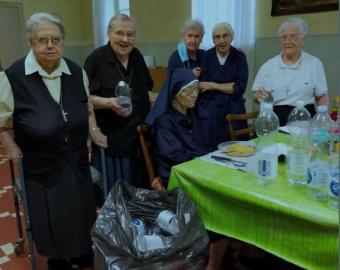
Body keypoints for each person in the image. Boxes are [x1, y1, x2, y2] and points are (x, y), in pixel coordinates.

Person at [0, 12, 107, 270]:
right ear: (31, 42)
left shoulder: (75, 71)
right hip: (41, 164)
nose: (50, 45)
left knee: (81, 210)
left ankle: (81, 251)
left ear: (63, 42)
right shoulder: (13, 76)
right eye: (42, 40)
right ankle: (57, 258)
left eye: (56, 40)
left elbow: (87, 108)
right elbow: (2, 121)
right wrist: (12, 146)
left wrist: (93, 130)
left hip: (76, 158)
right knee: (53, 216)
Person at [146, 68, 230, 270]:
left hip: (197, 174)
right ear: (175, 94)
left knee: (227, 202)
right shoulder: (164, 122)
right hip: (177, 180)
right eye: (188, 91)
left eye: (196, 90)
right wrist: (207, 160)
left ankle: (213, 262)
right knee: (221, 207)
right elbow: (176, 157)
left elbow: (205, 147)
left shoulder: (194, 116)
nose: (194, 94)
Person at [84, 14, 153, 189]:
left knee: (140, 188)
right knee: (116, 192)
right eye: (119, 33)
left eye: (130, 34)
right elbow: (84, 98)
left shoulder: (136, 55)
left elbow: (146, 90)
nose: (125, 39)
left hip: (139, 137)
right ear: (109, 33)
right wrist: (108, 103)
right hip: (113, 141)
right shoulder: (96, 59)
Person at [252, 17, 329, 126]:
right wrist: (258, 96)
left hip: (304, 118)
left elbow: (322, 97)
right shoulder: (268, 66)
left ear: (303, 39)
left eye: (293, 36)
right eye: (284, 37)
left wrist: (322, 120)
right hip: (274, 119)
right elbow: (255, 95)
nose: (287, 41)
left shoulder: (314, 64)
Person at [198, 22, 249, 150]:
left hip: (234, 108)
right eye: (217, 37)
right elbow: (204, 86)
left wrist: (214, 85)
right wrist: (228, 87)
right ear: (213, 39)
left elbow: (239, 88)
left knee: (239, 150)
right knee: (212, 151)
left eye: (225, 36)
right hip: (212, 108)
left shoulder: (239, 56)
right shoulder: (206, 56)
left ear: (232, 37)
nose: (221, 40)